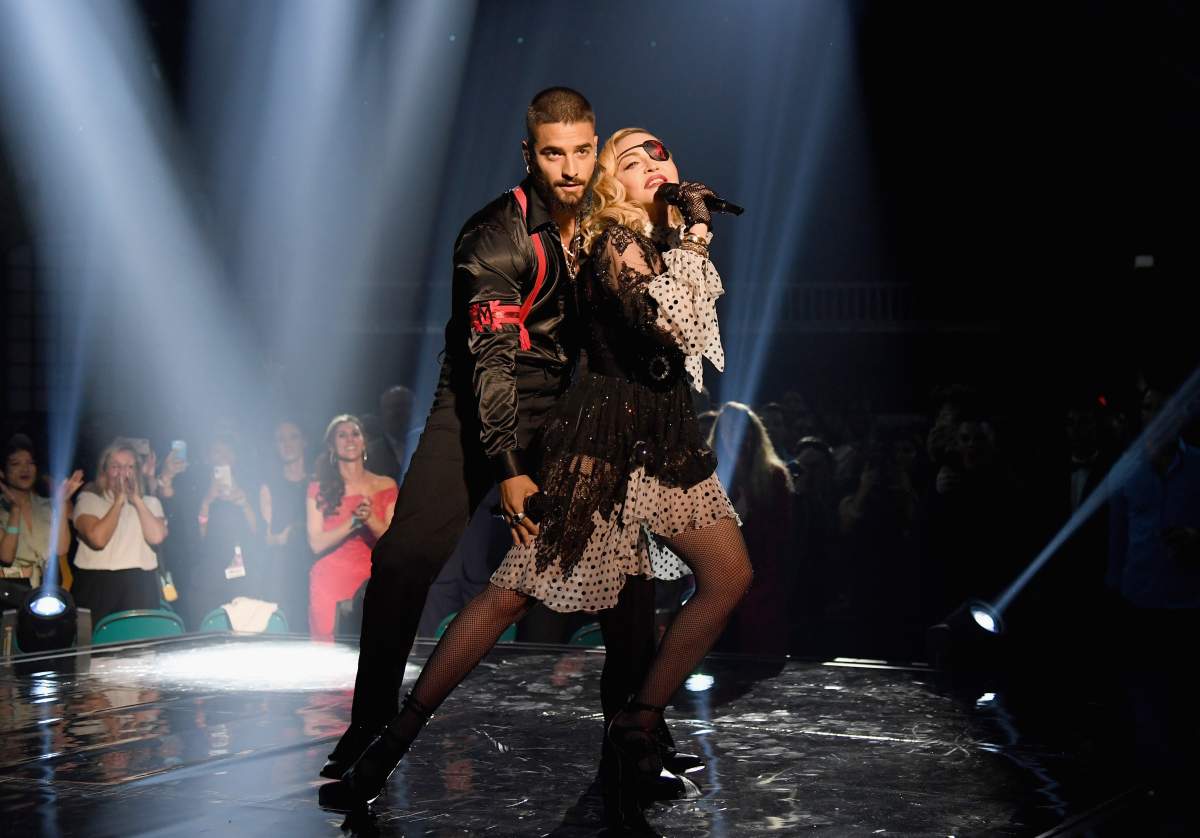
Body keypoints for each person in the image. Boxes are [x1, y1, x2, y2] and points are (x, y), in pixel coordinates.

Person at [322, 127, 751, 835]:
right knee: (511, 594)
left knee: (724, 577)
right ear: (610, 182)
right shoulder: (615, 243)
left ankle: (639, 726)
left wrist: (684, 239)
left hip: (662, 443)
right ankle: (387, 745)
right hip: (603, 447)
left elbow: (694, 340)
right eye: (632, 159)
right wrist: (697, 236)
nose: (653, 165)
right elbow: (676, 325)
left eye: (661, 154)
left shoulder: (657, 244)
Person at [320, 87, 653, 783]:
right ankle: (369, 725)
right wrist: (507, 466)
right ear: (529, 154)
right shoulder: (493, 235)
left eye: (582, 152)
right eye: (554, 154)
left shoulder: (603, 222)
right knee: (402, 561)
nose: (570, 168)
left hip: (567, 410)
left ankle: (637, 738)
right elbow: (490, 361)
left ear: (595, 147)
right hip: (476, 407)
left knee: (625, 569)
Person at [707, 403, 795, 656]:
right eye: (730, 429)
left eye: (743, 429)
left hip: (760, 587)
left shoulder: (773, 477)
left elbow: (780, 540)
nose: (737, 436)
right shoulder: (709, 477)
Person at [306, 415, 397, 641]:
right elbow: (316, 543)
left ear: (364, 442)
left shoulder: (386, 485)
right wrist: (354, 521)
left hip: (372, 580)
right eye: (342, 435)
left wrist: (371, 519)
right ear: (332, 446)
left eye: (355, 434)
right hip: (331, 581)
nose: (350, 439)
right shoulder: (319, 488)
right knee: (330, 654)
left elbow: (394, 544)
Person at [72, 439, 168, 624]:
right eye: (116, 466)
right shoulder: (89, 500)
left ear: (137, 472)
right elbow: (98, 539)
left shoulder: (150, 503)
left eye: (129, 466)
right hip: (97, 585)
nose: (123, 472)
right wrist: (118, 501)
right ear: (105, 471)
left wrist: (136, 500)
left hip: (141, 586)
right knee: (97, 641)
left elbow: (156, 537)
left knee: (140, 640)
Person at [1, 435, 83, 590]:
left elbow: (61, 549)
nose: (25, 469)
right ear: (2, 472)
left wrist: (62, 503)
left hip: (42, 589)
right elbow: (6, 557)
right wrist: (15, 510)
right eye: (16, 463)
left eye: (30, 463)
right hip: (8, 589)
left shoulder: (46, 505)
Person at [259, 420, 313, 630]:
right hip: (283, 567)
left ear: (304, 441)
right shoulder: (270, 486)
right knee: (286, 626)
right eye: (280, 439)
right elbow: (265, 538)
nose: (287, 444)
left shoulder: (318, 481)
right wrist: (285, 537)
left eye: (293, 437)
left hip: (313, 562)